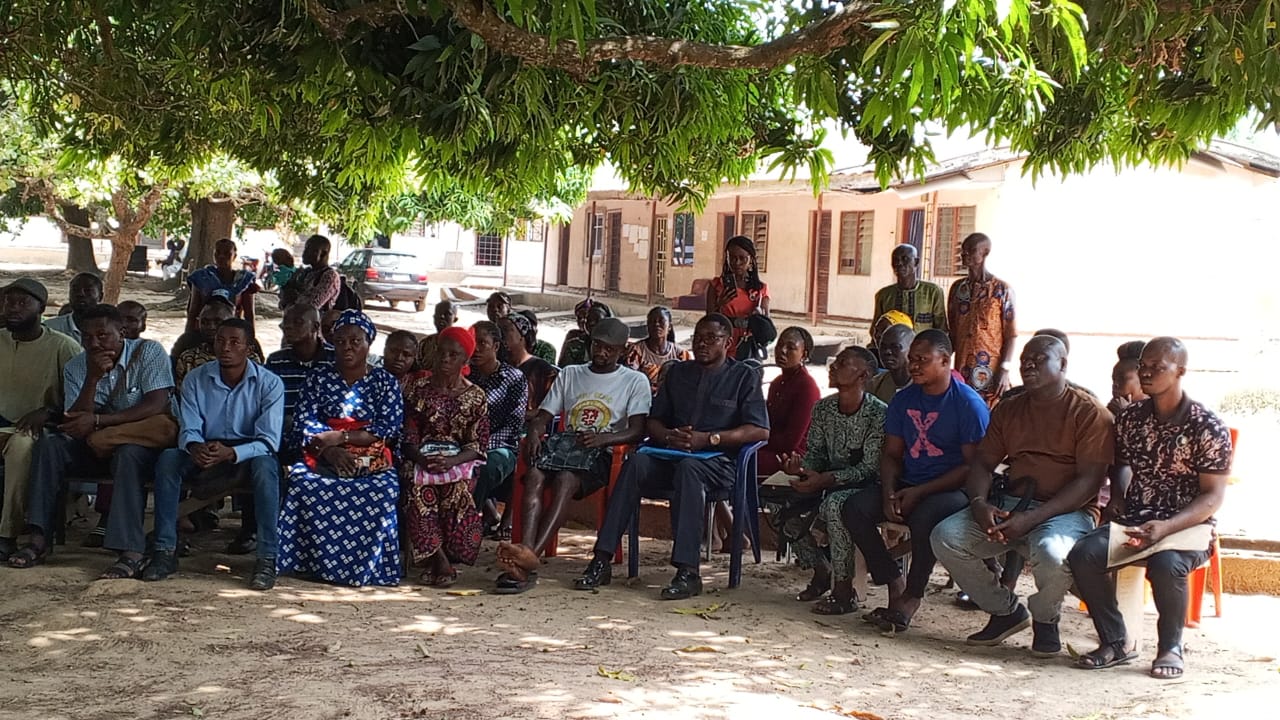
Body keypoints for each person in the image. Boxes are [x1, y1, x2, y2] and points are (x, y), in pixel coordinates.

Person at [931, 335, 1112, 655]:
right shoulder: (1010, 408)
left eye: (1039, 359)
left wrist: (1033, 518)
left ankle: (1045, 620)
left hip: (1065, 512)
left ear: (1063, 365)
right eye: (1025, 359)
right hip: (1012, 504)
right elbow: (982, 464)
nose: (1028, 364)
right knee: (946, 537)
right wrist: (979, 504)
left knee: (1052, 553)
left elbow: (1088, 482)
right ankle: (1006, 612)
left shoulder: (1088, 413)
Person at [573, 314, 770, 600]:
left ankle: (688, 572)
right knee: (636, 462)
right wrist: (667, 436)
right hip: (671, 455)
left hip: (718, 463)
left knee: (690, 468)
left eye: (711, 339)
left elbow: (760, 430)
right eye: (698, 338)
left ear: (727, 343)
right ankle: (601, 559)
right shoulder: (678, 373)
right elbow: (653, 422)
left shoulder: (743, 377)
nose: (702, 344)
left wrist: (710, 438)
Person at [1069, 337, 1232, 679]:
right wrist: (1118, 497)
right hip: (1137, 521)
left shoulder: (1206, 426)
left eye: (1158, 367)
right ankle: (1115, 641)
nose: (1147, 373)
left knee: (1166, 564)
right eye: (1144, 366)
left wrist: (1167, 527)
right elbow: (1122, 463)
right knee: (1084, 554)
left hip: (1188, 527)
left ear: (1180, 371)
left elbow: (1213, 496)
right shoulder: (1131, 419)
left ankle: (1170, 647)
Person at [836, 330, 990, 632]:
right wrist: (889, 492)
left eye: (922, 359)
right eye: (912, 359)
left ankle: (913, 595)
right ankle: (893, 580)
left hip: (953, 488)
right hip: (909, 482)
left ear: (945, 360)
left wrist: (920, 492)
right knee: (854, 508)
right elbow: (892, 454)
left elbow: (973, 467)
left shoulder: (967, 404)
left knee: (924, 517)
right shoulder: (903, 399)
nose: (914, 366)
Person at [10, 304, 176, 578]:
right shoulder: (77, 365)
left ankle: (130, 551)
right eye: (87, 337)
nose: (94, 343)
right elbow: (76, 419)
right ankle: (38, 539)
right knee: (50, 444)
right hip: (93, 444)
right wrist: (93, 377)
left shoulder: (148, 352)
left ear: (122, 333)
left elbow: (156, 404)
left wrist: (101, 421)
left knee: (129, 454)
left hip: (138, 442)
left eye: (102, 335)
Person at [496, 317, 652, 593]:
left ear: (622, 351)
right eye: (597, 345)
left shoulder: (634, 381)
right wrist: (535, 433)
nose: (601, 352)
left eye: (609, 349)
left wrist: (604, 438)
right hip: (565, 445)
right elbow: (544, 416)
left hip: (601, 453)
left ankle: (528, 559)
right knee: (534, 475)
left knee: (565, 480)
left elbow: (638, 430)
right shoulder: (571, 373)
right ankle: (527, 551)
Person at [146, 318, 285, 590]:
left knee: (267, 468)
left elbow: (269, 441)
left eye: (234, 342)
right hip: (207, 446)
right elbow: (189, 426)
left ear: (249, 348)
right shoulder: (196, 378)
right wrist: (194, 446)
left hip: (249, 451)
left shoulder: (269, 383)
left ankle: (267, 558)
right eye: (220, 341)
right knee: (169, 460)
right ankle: (164, 551)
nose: (226, 348)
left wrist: (231, 452)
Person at [277, 310, 405, 587]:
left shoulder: (385, 382)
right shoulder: (318, 377)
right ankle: (311, 564)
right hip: (322, 450)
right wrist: (328, 450)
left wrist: (342, 437)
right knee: (302, 484)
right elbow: (303, 421)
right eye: (341, 341)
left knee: (384, 489)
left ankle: (369, 568)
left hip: (368, 454)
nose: (347, 347)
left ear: (369, 343)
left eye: (355, 341)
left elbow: (388, 427)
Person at [781, 346, 885, 614]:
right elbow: (816, 453)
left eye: (843, 363)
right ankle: (820, 569)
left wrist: (826, 479)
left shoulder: (878, 414)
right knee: (781, 501)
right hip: (824, 481)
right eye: (835, 361)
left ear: (863, 376)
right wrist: (801, 469)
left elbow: (869, 468)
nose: (833, 367)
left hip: (865, 487)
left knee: (836, 505)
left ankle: (844, 591)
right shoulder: (823, 409)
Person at [399, 326, 489, 587]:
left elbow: (477, 443)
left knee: (456, 489)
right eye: (441, 352)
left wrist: (451, 462)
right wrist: (422, 459)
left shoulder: (475, 396)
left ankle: (440, 557)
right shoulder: (418, 389)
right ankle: (440, 560)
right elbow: (408, 437)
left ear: (465, 360)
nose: (445, 359)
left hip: (458, 462)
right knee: (418, 488)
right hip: (420, 459)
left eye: (453, 355)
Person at [0, 279, 81, 562]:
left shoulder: (63, 347)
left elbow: (80, 399)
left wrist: (49, 412)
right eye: (9, 302)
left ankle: (7, 534)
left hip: (34, 427)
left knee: (21, 448)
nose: (13, 308)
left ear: (42, 309)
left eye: (23, 303)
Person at [468, 321, 529, 539]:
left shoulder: (513, 378)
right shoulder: (465, 375)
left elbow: (513, 425)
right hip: (463, 445)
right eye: (472, 342)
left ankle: (465, 526)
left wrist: (480, 446)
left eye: (482, 343)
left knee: (483, 468)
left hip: (501, 447)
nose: (476, 349)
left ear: (495, 346)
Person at [947, 233, 1016, 406]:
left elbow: (1011, 334)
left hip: (990, 370)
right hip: (962, 369)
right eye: (963, 250)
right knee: (962, 409)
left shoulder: (1002, 290)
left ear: (985, 253)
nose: (964, 254)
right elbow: (952, 332)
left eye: (971, 250)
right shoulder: (957, 289)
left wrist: (1004, 369)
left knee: (990, 412)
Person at [757, 327, 821, 476]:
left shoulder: (807, 387)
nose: (782, 351)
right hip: (770, 447)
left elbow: (790, 442)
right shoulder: (777, 382)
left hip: (793, 457)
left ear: (804, 355)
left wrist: (756, 439)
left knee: (742, 459)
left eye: (791, 348)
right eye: (780, 345)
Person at [174, 294, 266, 385]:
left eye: (218, 322)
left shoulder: (249, 358)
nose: (210, 327)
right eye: (204, 322)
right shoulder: (188, 358)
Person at [705, 235, 771, 360]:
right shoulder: (717, 285)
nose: (737, 263)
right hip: (722, 342)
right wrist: (720, 304)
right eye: (732, 258)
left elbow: (766, 324)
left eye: (742, 258)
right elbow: (708, 320)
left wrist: (758, 315)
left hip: (748, 345)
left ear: (751, 260)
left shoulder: (760, 289)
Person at [185, 238, 258, 336]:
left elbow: (249, 315)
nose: (221, 256)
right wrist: (187, 339)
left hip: (231, 334)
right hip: (204, 333)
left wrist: (251, 339)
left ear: (234, 256)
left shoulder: (244, 280)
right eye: (217, 253)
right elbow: (192, 313)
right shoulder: (201, 278)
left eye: (227, 253)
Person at [874, 245, 947, 341]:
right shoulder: (883, 295)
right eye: (895, 260)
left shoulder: (933, 292)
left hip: (922, 349)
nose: (899, 263)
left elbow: (941, 330)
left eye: (905, 259)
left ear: (916, 262)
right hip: (892, 349)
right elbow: (876, 331)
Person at [501, 313, 558, 415]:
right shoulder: (496, 365)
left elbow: (552, 407)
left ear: (522, 335)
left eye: (506, 329)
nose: (500, 334)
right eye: (498, 329)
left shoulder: (542, 370)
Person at [625, 306, 690, 394]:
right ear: (647, 326)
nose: (656, 324)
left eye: (661, 321)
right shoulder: (636, 351)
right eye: (652, 321)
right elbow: (631, 380)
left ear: (669, 327)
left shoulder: (681, 354)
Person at [281, 234, 341, 311]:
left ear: (323, 254)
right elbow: (283, 303)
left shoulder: (330, 276)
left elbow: (311, 306)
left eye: (309, 249)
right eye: (305, 249)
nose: (304, 253)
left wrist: (293, 298)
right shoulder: (306, 272)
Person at [44, 272, 103, 344]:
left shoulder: (109, 328)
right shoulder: (50, 328)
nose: (80, 294)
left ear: (100, 297)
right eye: (75, 290)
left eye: (88, 290)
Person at [868, 323, 915, 404]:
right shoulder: (875, 385)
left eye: (895, 347)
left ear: (912, 349)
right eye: (883, 347)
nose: (887, 352)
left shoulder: (926, 387)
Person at [559, 301, 612, 366]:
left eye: (597, 320)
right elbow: (564, 369)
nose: (592, 323)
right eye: (588, 319)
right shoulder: (574, 345)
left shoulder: (617, 346)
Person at [1109, 341, 1148, 416]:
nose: (1115, 384)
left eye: (1122, 379)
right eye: (1114, 379)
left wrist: (1125, 412)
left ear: (1142, 379)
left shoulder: (1160, 412)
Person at [417, 300, 458, 371]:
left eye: (447, 314)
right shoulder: (425, 343)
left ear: (455, 319)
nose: (442, 316)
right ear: (434, 317)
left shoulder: (461, 345)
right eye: (439, 313)